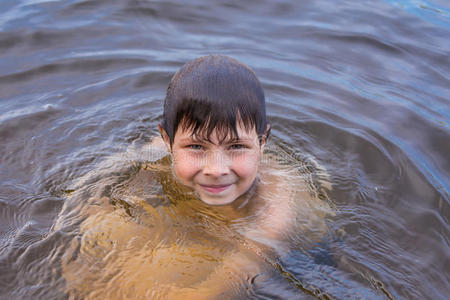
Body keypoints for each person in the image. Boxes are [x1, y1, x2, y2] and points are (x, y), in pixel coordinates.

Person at [60, 55, 332, 299]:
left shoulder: (278, 199)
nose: (217, 169)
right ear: (168, 142)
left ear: (262, 143)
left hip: (293, 259)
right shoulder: (155, 151)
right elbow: (100, 190)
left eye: (237, 147)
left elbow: (224, 282)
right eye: (196, 147)